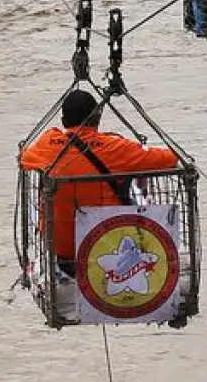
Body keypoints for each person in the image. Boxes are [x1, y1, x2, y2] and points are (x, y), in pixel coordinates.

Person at [20, 90, 179, 274]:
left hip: (62, 251)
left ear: (63, 122)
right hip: (108, 244)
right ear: (97, 118)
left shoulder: (47, 144)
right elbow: (170, 159)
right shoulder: (116, 148)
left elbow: (24, 158)